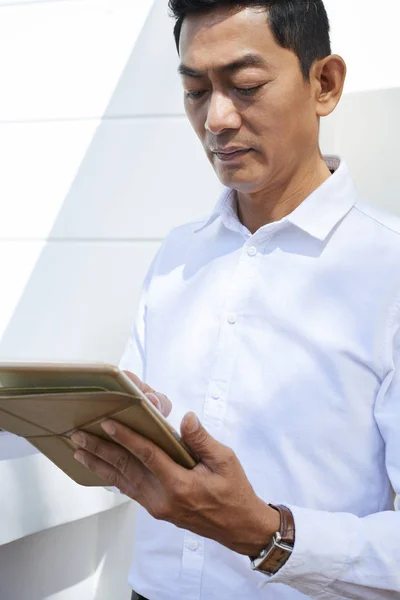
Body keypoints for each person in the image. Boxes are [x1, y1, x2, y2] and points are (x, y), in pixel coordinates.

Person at [70, 1, 400, 598]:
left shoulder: (390, 272)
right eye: (196, 91)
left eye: (245, 86)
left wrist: (266, 534)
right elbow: (138, 434)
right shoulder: (177, 254)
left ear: (324, 84)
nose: (216, 119)